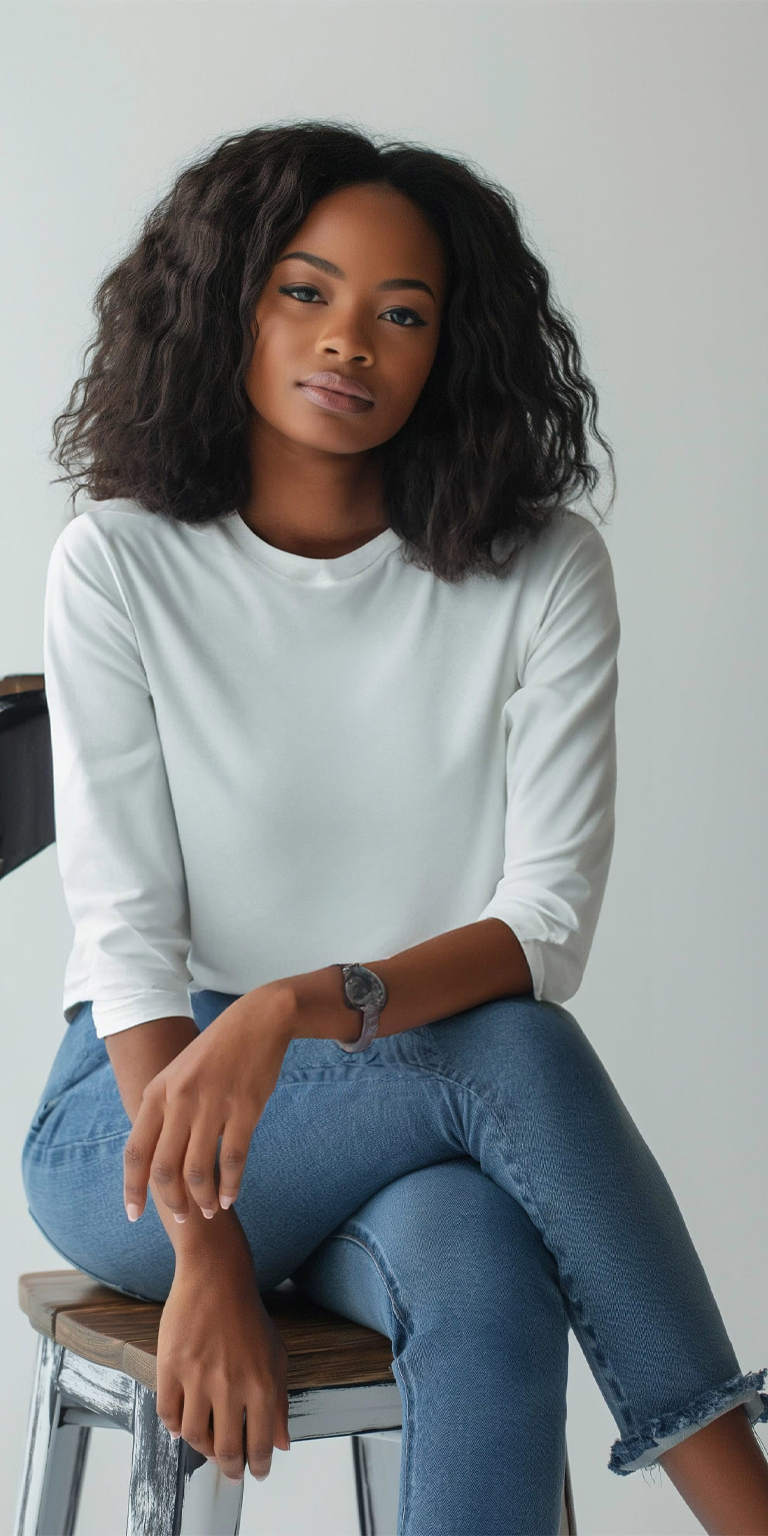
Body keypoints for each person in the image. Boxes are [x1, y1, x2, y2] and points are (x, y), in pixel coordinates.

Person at [22, 121, 768, 1534]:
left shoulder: (541, 570)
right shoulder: (118, 562)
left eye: (401, 313)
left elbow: (543, 925)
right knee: (508, 1052)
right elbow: (125, 939)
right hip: (134, 1117)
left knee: (486, 1262)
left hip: (398, 1099)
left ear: (451, 350)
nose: (349, 340)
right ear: (227, 302)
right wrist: (208, 1257)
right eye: (305, 290)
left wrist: (298, 1007)